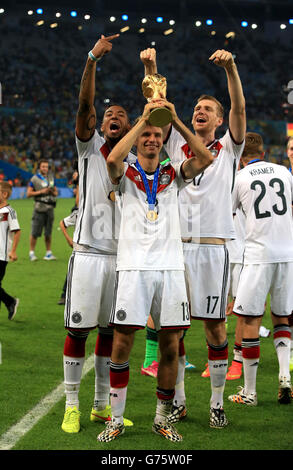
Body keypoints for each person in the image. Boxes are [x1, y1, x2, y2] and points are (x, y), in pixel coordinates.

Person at [97, 99, 214, 443]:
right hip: (134, 268)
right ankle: (115, 419)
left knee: (169, 345)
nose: (151, 139)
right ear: (136, 138)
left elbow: (205, 158)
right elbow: (112, 159)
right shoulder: (125, 172)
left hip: (170, 268)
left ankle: (162, 418)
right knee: (122, 343)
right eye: (145, 135)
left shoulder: (173, 173)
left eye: (155, 135)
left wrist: (174, 120)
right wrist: (143, 120)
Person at [141, 47, 246, 428]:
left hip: (213, 249)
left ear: (219, 120)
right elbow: (156, 104)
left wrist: (231, 68)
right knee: (174, 329)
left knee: (215, 328)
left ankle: (217, 403)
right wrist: (152, 67)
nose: (200, 112)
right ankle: (180, 401)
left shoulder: (229, 149)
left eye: (207, 110)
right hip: (176, 248)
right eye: (196, 108)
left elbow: (238, 107)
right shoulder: (173, 146)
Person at [61, 33, 134, 434]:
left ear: (130, 125)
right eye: (108, 114)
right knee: (78, 331)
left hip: (122, 260)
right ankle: (71, 404)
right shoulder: (88, 151)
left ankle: (100, 406)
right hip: (88, 254)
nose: (112, 117)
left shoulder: (137, 161)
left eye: (121, 115)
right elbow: (85, 104)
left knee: (110, 334)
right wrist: (91, 58)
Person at [228, 132, 293, 406]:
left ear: (241, 158)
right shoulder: (285, 173)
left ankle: (250, 392)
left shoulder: (239, 178)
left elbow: (227, 213)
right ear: (264, 153)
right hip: (288, 254)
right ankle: (284, 377)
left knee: (251, 319)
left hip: (257, 255)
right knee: (282, 318)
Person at [27, 159, 58, 261]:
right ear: (39, 167)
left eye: (46, 166)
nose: (45, 168)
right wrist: (42, 191)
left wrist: (52, 191)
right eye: (43, 166)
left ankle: (48, 253)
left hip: (50, 208)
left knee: (48, 233)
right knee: (35, 232)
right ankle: (32, 253)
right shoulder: (34, 179)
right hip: (39, 208)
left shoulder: (50, 177)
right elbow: (28, 194)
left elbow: (56, 193)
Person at [0, 182, 21, 320]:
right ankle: (10, 303)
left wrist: (13, 251)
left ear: (4, 194)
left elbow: (17, 231)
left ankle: (11, 301)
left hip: (1, 255)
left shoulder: (9, 211)